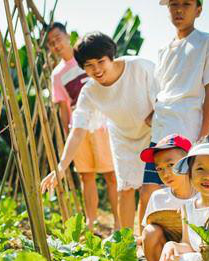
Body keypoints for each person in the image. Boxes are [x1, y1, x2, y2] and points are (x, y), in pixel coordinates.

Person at [41, 32, 158, 234]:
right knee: (124, 189)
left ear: (111, 56)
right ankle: (126, 242)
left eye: (100, 62)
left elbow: (166, 93)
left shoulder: (139, 66)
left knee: (148, 189)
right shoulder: (89, 91)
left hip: (154, 132)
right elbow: (77, 131)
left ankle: (146, 240)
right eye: (88, 65)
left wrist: (156, 112)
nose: (96, 69)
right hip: (122, 137)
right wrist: (61, 167)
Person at [144, 0, 209, 202]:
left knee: (185, 191)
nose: (179, 9)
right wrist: (152, 114)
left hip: (186, 128)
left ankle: (188, 234)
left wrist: (204, 135)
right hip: (160, 127)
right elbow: (162, 89)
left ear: (198, 10)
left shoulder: (206, 42)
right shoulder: (164, 49)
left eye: (186, 4)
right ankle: (147, 234)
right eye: (173, 4)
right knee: (149, 190)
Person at [46, 22, 119, 231]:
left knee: (111, 175)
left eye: (58, 38)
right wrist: (67, 131)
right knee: (86, 176)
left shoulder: (87, 60)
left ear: (67, 36)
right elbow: (63, 106)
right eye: (51, 43)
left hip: (103, 123)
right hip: (79, 128)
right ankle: (90, 223)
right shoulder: (57, 75)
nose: (56, 45)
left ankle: (119, 221)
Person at [139, 134, 199, 261]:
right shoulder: (158, 197)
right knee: (150, 231)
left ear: (188, 162)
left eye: (171, 165)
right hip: (168, 257)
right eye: (159, 169)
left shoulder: (204, 196)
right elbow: (147, 236)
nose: (165, 174)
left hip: (198, 256)